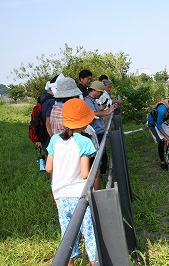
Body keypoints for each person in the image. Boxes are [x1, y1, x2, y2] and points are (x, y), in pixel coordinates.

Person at [45, 98, 97, 265]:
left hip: (61, 197)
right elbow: (84, 174)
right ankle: (94, 262)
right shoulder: (85, 142)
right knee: (89, 234)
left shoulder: (54, 140)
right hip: (79, 196)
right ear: (85, 122)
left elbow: (48, 168)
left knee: (68, 237)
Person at [50, 77, 101, 190]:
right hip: (77, 154)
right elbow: (85, 130)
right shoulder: (73, 111)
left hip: (60, 154)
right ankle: (95, 198)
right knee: (95, 172)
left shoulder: (54, 109)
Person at [84, 81, 117, 178]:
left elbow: (97, 110)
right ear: (94, 90)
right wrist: (107, 112)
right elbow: (92, 113)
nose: (101, 94)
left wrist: (104, 108)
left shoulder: (93, 100)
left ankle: (101, 173)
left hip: (99, 130)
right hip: (95, 131)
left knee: (102, 152)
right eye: (100, 92)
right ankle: (99, 174)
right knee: (99, 154)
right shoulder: (87, 101)